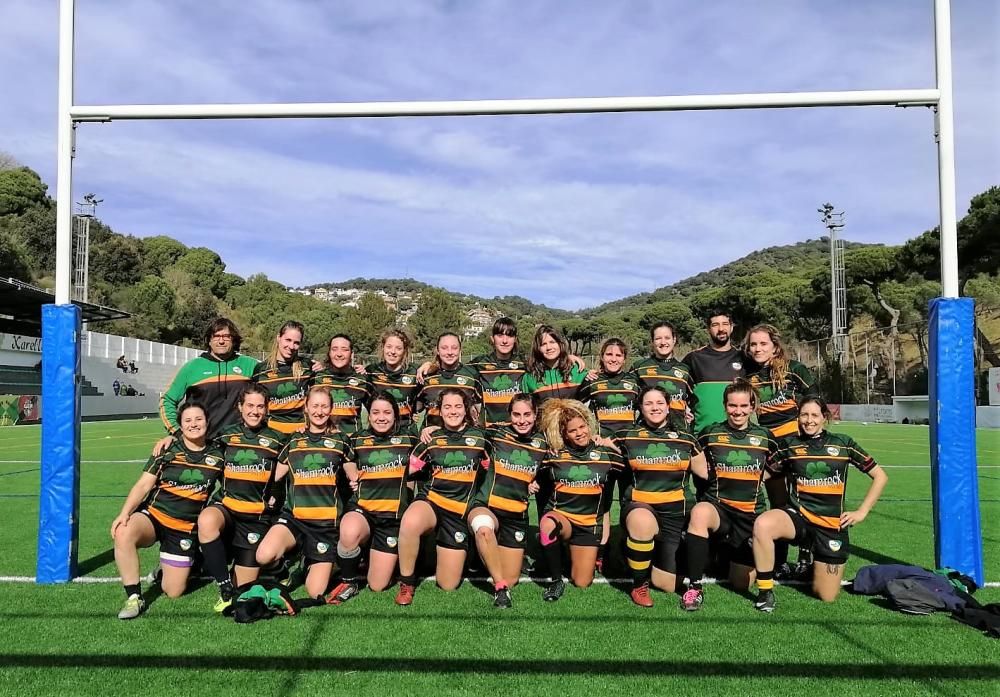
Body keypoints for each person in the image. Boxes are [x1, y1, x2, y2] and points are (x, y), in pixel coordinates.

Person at [751, 397, 888, 612]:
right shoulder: (789, 445)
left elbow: (880, 476)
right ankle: (765, 591)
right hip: (799, 517)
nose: (808, 420)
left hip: (830, 524)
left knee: (826, 595)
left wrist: (862, 512)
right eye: (804, 415)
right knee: (763, 524)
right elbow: (761, 474)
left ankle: (813, 565)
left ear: (825, 417)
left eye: (814, 415)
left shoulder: (843, 443)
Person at [111, 402, 223, 619]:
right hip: (154, 517)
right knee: (124, 532)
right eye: (187, 420)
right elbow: (144, 485)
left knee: (173, 591)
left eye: (199, 419)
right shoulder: (167, 449)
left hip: (183, 528)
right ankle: (134, 597)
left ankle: (181, 564)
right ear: (180, 425)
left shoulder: (218, 454)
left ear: (207, 422)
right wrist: (124, 513)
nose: (194, 424)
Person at [679, 379, 779, 611]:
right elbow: (692, 455)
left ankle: (729, 556)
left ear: (752, 407)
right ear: (725, 406)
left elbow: (779, 466)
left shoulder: (766, 437)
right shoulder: (711, 433)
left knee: (740, 582)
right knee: (700, 512)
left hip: (750, 515)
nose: (738, 411)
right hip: (720, 509)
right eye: (733, 405)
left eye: (744, 406)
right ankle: (694, 587)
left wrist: (754, 477)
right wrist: (712, 475)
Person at [614, 385, 708, 607]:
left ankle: (644, 553)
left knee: (666, 584)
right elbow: (601, 448)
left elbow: (706, 473)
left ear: (668, 407)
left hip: (675, 513)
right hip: (641, 505)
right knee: (642, 522)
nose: (654, 408)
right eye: (648, 403)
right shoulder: (627, 436)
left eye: (659, 403)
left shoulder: (686, 438)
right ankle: (638, 585)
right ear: (640, 408)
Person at [394, 389, 490, 605]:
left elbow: (492, 470)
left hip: (459, 511)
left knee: (448, 584)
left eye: (458, 406)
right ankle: (407, 581)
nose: (453, 411)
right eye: (447, 407)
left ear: (466, 409)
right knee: (410, 522)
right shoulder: (431, 438)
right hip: (432, 501)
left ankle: (464, 551)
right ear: (439, 410)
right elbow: (408, 470)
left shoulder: (480, 438)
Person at [196, 384, 285, 612]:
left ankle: (274, 567)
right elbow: (198, 449)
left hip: (255, 518)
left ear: (267, 409)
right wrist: (170, 439)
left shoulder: (278, 440)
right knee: (206, 520)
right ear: (240, 407)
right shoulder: (226, 436)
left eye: (260, 406)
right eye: (250, 405)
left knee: (244, 588)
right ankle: (224, 586)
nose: (255, 411)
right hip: (226, 508)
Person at [255, 386, 350, 599]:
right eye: (314, 405)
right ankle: (284, 570)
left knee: (315, 591)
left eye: (324, 406)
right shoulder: (293, 440)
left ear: (331, 409)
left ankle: (312, 560)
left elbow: (353, 477)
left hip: (325, 525)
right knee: (263, 555)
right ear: (306, 408)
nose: (319, 411)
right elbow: (276, 477)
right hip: (295, 518)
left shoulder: (342, 441)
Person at [326, 392, 419, 604]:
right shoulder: (357, 439)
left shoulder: (409, 439)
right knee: (349, 530)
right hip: (363, 510)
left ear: (395, 416)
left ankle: (368, 555)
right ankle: (348, 580)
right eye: (375, 412)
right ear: (368, 417)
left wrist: (430, 429)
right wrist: (351, 472)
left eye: (387, 412)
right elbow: (344, 458)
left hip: (392, 518)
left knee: (377, 585)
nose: (381, 417)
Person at [744, 323, 818, 578]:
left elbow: (814, 402)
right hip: (772, 448)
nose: (758, 348)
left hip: (797, 445)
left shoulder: (795, 370)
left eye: (763, 343)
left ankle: (806, 557)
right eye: (753, 344)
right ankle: (781, 560)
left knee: (804, 501)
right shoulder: (748, 376)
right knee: (778, 502)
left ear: (775, 346)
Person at [465, 393, 549, 608]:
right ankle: (500, 589)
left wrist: (535, 482)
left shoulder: (544, 443)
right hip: (487, 506)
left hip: (516, 515)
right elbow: (464, 431)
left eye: (527, 414)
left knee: (512, 577)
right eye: (516, 414)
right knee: (483, 528)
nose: (522, 420)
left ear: (535, 414)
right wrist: (430, 428)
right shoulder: (496, 435)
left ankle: (483, 555)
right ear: (509, 415)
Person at [535, 399, 624, 601]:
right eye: (572, 430)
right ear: (564, 434)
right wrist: (532, 483)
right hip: (562, 517)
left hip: (588, 525)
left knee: (582, 582)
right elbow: (530, 470)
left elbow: (631, 464)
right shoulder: (554, 455)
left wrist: (611, 444)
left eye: (582, 427)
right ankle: (556, 579)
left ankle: (569, 554)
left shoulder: (606, 453)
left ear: (589, 425)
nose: (580, 433)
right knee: (548, 524)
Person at [159, 317, 259, 440]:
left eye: (226, 336)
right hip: (203, 446)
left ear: (234, 340)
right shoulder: (192, 368)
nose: (221, 341)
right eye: (216, 336)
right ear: (209, 340)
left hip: (240, 443)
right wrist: (177, 432)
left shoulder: (250, 365)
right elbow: (167, 401)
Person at [683, 310, 746, 435]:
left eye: (725, 324)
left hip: (737, 436)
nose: (721, 329)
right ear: (708, 329)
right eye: (715, 325)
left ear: (732, 327)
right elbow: (677, 387)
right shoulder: (694, 358)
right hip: (702, 435)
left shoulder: (744, 358)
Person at [252, 321, 314, 435]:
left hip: (300, 433)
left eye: (296, 343)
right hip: (271, 433)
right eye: (288, 340)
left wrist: (357, 370)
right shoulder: (261, 370)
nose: (291, 346)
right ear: (278, 338)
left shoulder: (307, 366)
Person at [468, 317, 529, 428]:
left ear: (515, 339)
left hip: (518, 431)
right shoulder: (479, 363)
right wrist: (432, 365)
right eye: (500, 335)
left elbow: (548, 364)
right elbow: (455, 371)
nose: (505, 341)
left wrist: (568, 358)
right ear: (492, 338)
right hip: (489, 433)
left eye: (509, 336)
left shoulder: (524, 363)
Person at [631, 321, 695, 426]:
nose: (663, 342)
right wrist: (597, 375)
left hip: (679, 432)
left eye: (667, 338)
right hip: (646, 431)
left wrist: (689, 413)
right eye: (658, 338)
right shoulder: (639, 367)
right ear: (652, 342)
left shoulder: (685, 370)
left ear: (674, 340)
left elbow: (694, 400)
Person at [414, 332, 483, 428]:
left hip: (464, 438)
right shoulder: (426, 375)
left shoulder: (472, 374)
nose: (450, 352)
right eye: (444, 348)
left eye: (454, 348)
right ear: (437, 350)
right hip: (432, 438)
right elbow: (414, 407)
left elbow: (479, 410)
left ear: (460, 350)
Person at [577, 337, 640, 437]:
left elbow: (645, 410)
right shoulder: (592, 380)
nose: (613, 359)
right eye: (609, 354)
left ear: (624, 359)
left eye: (618, 355)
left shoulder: (634, 381)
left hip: (628, 442)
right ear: (602, 357)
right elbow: (575, 406)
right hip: (602, 443)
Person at [312, 334, 372, 436]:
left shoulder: (363, 380)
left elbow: (377, 411)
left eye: (344, 349)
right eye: (334, 349)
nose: (339, 354)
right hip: (323, 443)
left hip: (352, 442)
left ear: (352, 354)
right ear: (329, 353)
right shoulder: (316, 378)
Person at [366, 329, 421, 429]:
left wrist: (416, 411)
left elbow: (428, 394)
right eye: (389, 347)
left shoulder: (415, 372)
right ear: (383, 348)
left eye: (398, 348)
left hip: (406, 432)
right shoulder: (371, 371)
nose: (393, 352)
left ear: (405, 351)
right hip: (379, 432)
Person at [522, 325, 588, 404]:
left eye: (552, 342)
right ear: (538, 348)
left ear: (560, 344)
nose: (548, 347)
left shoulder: (577, 370)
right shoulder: (530, 376)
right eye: (543, 344)